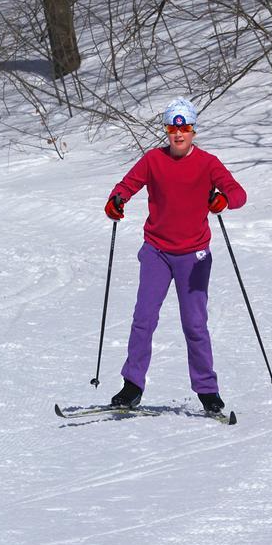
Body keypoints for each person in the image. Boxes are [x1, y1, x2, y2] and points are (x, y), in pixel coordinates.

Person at [103, 97, 246, 415]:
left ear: (193, 130)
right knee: (143, 318)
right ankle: (132, 387)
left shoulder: (208, 163)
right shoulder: (153, 160)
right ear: (167, 130)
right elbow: (126, 185)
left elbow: (238, 194)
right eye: (172, 128)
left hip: (194, 256)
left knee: (194, 324)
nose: (178, 135)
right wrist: (117, 199)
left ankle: (208, 391)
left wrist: (222, 200)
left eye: (185, 129)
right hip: (157, 252)